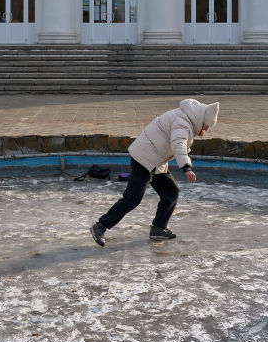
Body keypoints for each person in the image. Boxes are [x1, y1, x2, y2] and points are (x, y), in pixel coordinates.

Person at [90, 99, 219, 246]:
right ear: (201, 119)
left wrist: (186, 161)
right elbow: (179, 144)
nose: (206, 129)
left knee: (171, 192)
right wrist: (186, 168)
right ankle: (100, 226)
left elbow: (181, 146)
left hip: (156, 161)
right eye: (207, 125)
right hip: (144, 159)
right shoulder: (182, 122)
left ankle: (158, 228)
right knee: (132, 199)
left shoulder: (186, 120)